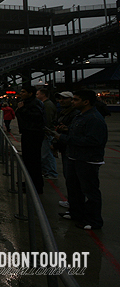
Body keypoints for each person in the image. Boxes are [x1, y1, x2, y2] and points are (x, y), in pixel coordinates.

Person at [53, 90, 107, 230]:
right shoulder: (80, 116)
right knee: (74, 188)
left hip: (87, 160)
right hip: (75, 157)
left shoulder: (94, 119)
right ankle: (76, 213)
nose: (73, 102)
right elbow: (78, 132)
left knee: (90, 191)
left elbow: (93, 141)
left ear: (86, 101)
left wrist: (64, 138)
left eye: (76, 100)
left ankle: (94, 220)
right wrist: (66, 129)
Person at [15, 85, 45, 194]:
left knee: (33, 161)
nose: (21, 93)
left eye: (23, 92)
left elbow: (36, 117)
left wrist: (21, 109)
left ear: (30, 93)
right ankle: (29, 182)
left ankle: (36, 187)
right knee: (28, 161)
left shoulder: (34, 104)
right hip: (28, 133)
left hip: (33, 134)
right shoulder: (29, 103)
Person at [36, 88, 58, 179]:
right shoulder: (45, 104)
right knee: (45, 153)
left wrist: (45, 131)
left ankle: (52, 173)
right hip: (46, 132)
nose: (36, 96)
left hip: (47, 133)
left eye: (38, 94)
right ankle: (47, 171)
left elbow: (47, 120)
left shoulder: (47, 105)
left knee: (47, 154)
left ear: (43, 95)